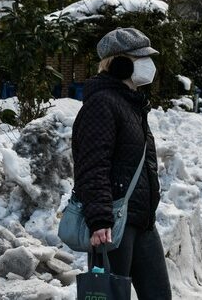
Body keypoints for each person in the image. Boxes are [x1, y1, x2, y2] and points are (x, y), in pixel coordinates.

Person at [71, 28, 172, 299]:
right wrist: (100, 219)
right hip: (113, 224)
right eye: (140, 58)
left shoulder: (132, 104)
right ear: (120, 64)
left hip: (141, 221)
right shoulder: (102, 104)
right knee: (111, 296)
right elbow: (92, 165)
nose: (148, 65)